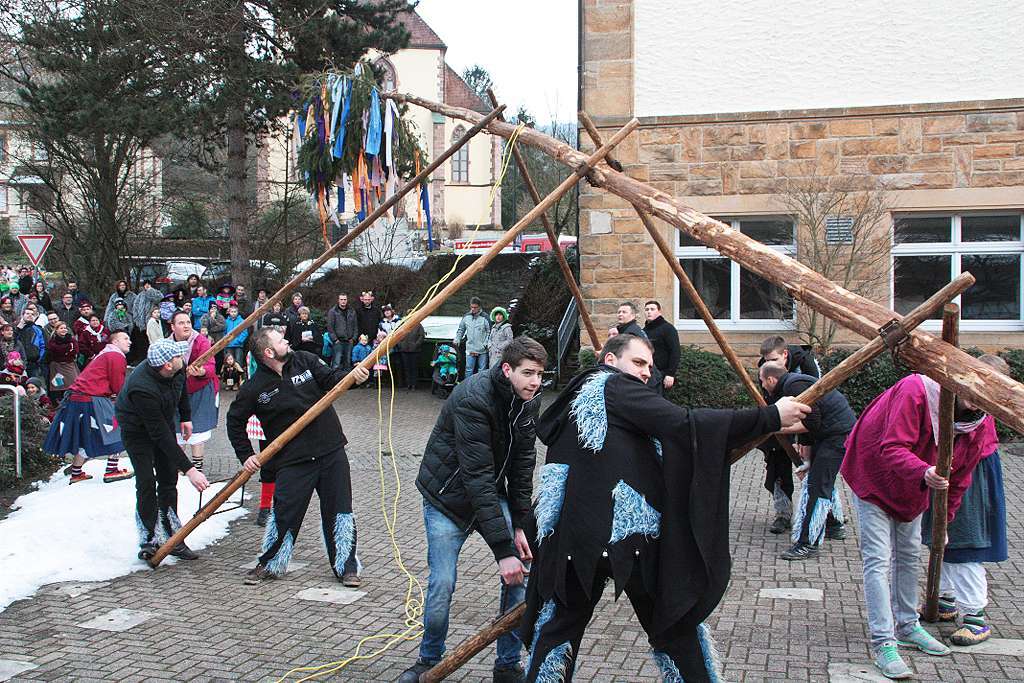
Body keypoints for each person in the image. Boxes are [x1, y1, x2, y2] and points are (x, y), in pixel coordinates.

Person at [517, 334, 808, 682]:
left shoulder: (580, 397)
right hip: (624, 535)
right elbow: (684, 423)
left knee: (560, 627)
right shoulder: (614, 386)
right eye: (638, 363)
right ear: (610, 361)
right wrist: (770, 416)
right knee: (673, 621)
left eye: (650, 367)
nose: (645, 373)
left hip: (573, 539)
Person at [399, 336, 548, 683]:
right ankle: (428, 659)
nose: (536, 382)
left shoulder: (529, 399)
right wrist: (502, 550)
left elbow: (523, 465)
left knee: (520, 571)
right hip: (447, 498)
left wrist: (521, 526)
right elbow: (476, 475)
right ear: (507, 369)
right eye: (528, 373)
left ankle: (507, 665)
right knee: (443, 582)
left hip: (488, 493)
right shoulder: (472, 397)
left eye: (540, 374)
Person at [841, 372, 998, 679]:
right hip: (875, 474)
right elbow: (892, 447)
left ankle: (907, 625)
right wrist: (924, 471)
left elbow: (959, 479)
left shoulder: (980, 423)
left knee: (910, 553)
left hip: (913, 488)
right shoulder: (916, 391)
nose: (976, 399)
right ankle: (884, 642)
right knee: (878, 559)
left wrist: (946, 521)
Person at [225, 328, 370, 585]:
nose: (286, 341)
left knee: (340, 511)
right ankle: (271, 562)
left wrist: (353, 376)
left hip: (330, 450)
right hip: (292, 461)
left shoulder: (304, 359)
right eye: (280, 340)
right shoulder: (254, 388)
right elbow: (234, 421)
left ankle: (346, 567)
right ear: (269, 352)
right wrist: (245, 454)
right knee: (285, 513)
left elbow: (331, 378)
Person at [921, 355, 1010, 647]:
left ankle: (975, 616)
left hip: (972, 471)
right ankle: (947, 600)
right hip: (951, 468)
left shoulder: (979, 420)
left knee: (963, 540)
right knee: (943, 538)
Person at [117, 338, 210, 561]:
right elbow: (160, 436)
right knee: (146, 480)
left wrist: (186, 417)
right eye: (178, 356)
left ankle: (172, 537)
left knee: (168, 479)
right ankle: (149, 538)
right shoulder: (142, 388)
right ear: (167, 364)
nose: (182, 358)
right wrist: (190, 470)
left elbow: (182, 389)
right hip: (136, 430)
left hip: (161, 420)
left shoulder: (176, 368)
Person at [758, 361, 856, 560]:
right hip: (830, 435)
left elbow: (812, 422)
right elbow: (811, 424)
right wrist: (809, 459)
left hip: (837, 436)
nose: (761, 386)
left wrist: (776, 427)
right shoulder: (794, 383)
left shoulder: (793, 386)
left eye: (762, 381)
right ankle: (835, 525)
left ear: (771, 379)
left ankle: (808, 543)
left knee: (818, 487)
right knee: (819, 482)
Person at [43, 331, 134, 484]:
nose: (129, 341)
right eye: (125, 338)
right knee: (115, 428)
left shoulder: (103, 354)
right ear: (115, 342)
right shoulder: (115, 355)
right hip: (92, 398)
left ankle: (76, 472)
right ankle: (112, 470)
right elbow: (118, 385)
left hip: (77, 398)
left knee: (86, 434)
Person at [758, 336, 821, 536]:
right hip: (780, 420)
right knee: (777, 463)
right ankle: (783, 513)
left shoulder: (806, 365)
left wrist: (804, 441)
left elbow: (815, 406)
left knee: (816, 468)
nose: (769, 364)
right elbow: (766, 399)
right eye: (766, 360)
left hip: (808, 421)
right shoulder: (765, 367)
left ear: (785, 355)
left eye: (773, 360)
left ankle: (825, 510)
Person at [169, 311, 219, 473]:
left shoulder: (201, 342)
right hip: (176, 392)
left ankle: (197, 469)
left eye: (188, 322)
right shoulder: (167, 344)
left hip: (199, 391)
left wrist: (201, 371)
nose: (186, 326)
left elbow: (211, 367)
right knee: (176, 431)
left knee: (198, 430)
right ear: (172, 326)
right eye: (181, 323)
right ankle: (178, 467)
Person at [643, 300, 680, 395]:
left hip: (662, 374)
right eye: (647, 309)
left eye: (652, 309)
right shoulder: (643, 331)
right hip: (647, 374)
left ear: (659, 312)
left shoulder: (668, 329)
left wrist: (670, 374)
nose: (649, 312)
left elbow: (675, 352)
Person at [454, 297, 490, 377]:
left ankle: (481, 386)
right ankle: (468, 386)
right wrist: (457, 339)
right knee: (469, 369)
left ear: (480, 307)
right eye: (471, 307)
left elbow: (489, 332)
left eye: (475, 307)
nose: (473, 309)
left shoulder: (486, 317)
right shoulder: (466, 317)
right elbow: (461, 330)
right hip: (470, 348)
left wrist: (486, 343)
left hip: (482, 349)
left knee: (482, 370)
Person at [46, 321, 79, 400]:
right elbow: (54, 351)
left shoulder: (72, 340)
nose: (63, 330)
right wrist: (67, 349)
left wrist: (66, 351)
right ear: (56, 330)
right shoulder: (52, 341)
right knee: (59, 386)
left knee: (73, 383)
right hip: (57, 367)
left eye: (65, 328)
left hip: (69, 364)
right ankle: (59, 402)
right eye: (61, 328)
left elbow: (75, 351)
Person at [327, 293, 358, 371]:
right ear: (338, 300)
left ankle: (347, 382)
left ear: (347, 300)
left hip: (349, 341)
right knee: (336, 363)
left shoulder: (352, 311)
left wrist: (353, 338)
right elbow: (330, 327)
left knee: (347, 363)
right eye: (341, 299)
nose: (343, 301)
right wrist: (335, 340)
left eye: (345, 299)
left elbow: (355, 326)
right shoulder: (333, 311)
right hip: (338, 341)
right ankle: (334, 381)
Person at [394, 319, 425, 391]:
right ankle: (408, 384)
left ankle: (414, 384)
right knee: (406, 368)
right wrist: (401, 345)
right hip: (404, 350)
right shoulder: (403, 325)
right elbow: (397, 335)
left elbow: (421, 336)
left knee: (414, 368)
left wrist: (416, 345)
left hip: (415, 351)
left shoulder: (418, 325)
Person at [14, 309, 45, 378]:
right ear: (22, 315)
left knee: (33, 385)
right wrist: (18, 328)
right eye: (27, 313)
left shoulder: (38, 329)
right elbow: (12, 341)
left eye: (32, 314)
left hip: (34, 363)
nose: (30, 315)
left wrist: (39, 358)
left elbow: (43, 345)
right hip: (18, 363)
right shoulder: (16, 328)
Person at [200, 302, 227, 372]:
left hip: (219, 341)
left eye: (215, 308)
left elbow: (223, 327)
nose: (213, 310)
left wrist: (213, 321)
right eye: (211, 308)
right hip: (209, 341)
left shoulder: (220, 317)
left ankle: (218, 372)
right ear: (209, 309)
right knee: (210, 358)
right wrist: (211, 319)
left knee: (219, 357)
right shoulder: (205, 317)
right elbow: (204, 327)